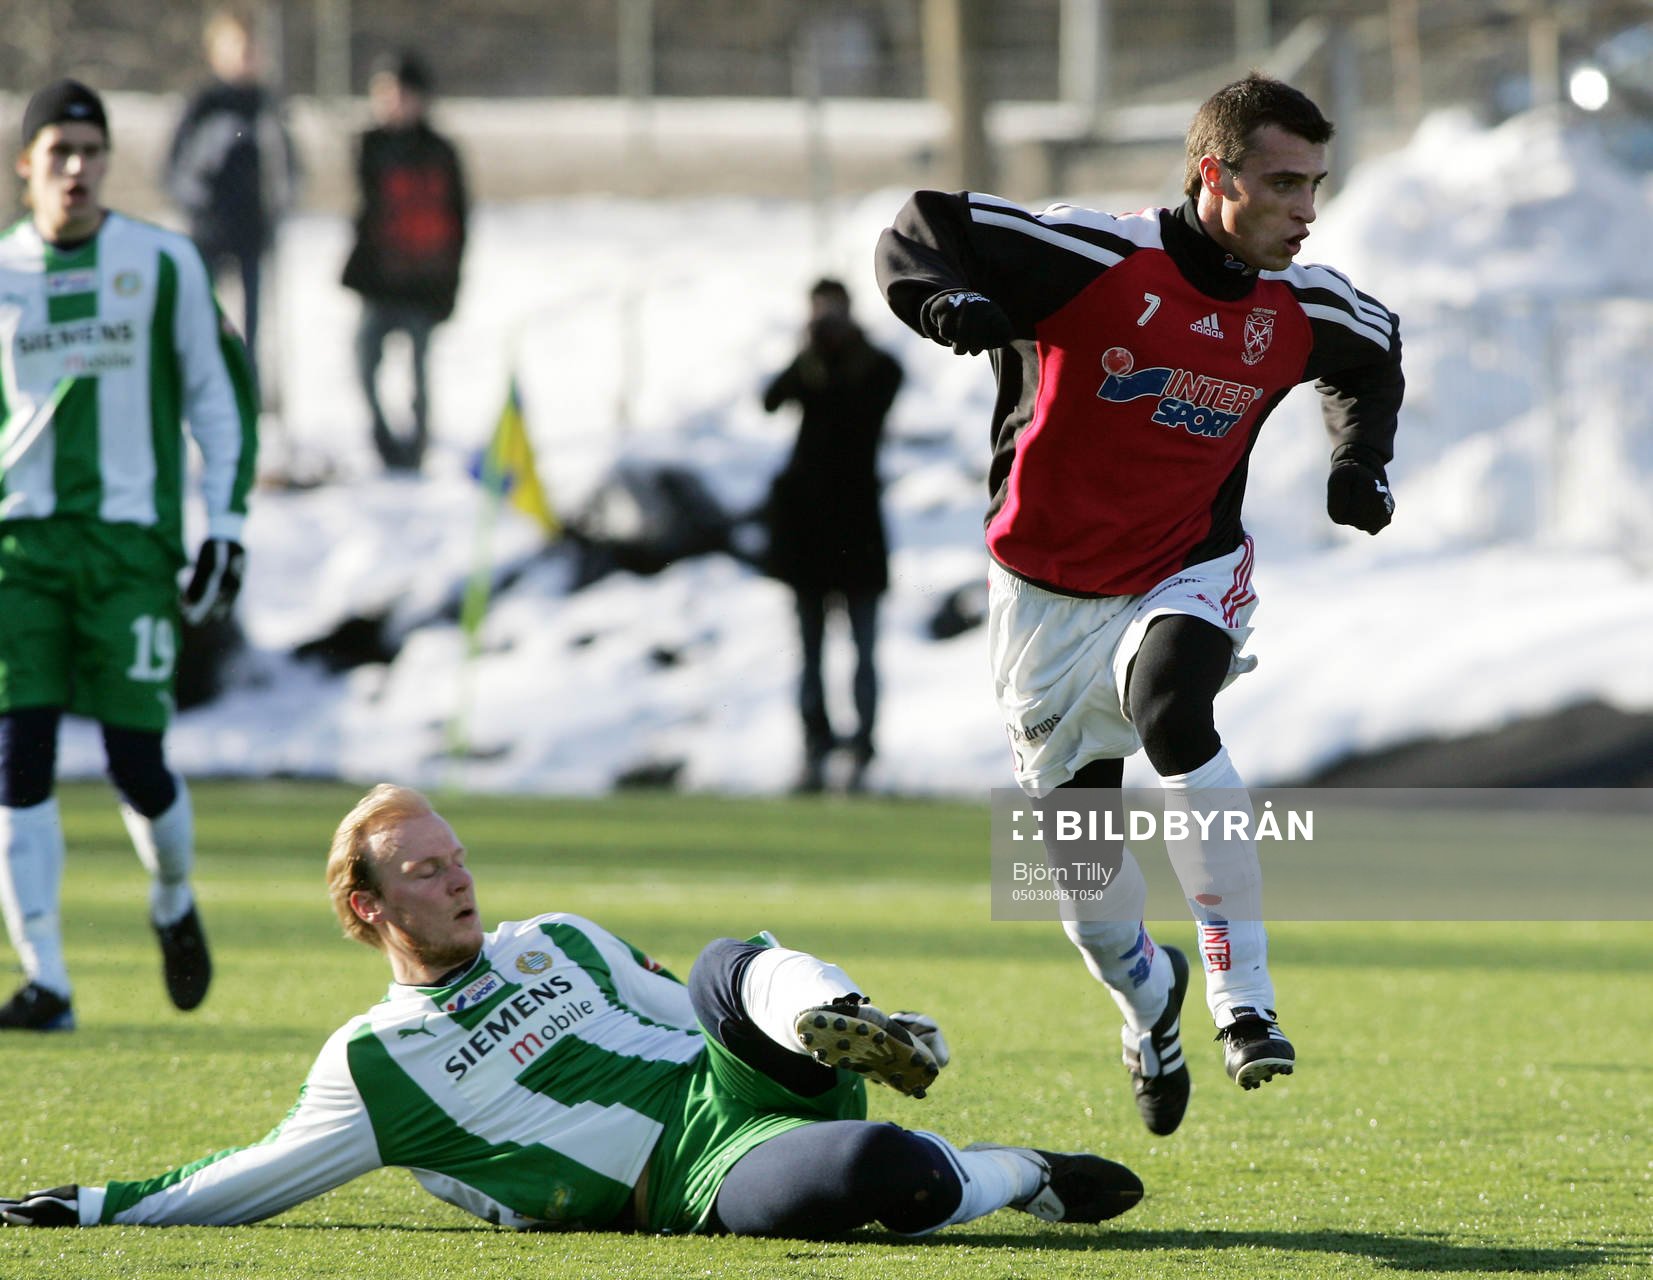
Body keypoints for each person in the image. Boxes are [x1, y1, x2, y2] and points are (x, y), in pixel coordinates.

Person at [875, 74, 1402, 1135]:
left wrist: (1361, 463)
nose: (1306, 210)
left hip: (1183, 570)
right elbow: (921, 227)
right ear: (1215, 177)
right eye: (1283, 183)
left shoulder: (1297, 305)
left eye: (1318, 186)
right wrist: (945, 303)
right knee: (1086, 889)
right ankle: (1146, 1001)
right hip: (1041, 601)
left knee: (1175, 705)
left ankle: (1242, 999)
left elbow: (1376, 348)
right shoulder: (1096, 258)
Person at [0, 783, 1143, 1237]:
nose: (458, 880)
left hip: (732, 1071)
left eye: (457, 857)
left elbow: (695, 1001)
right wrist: (92, 1204)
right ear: (366, 905)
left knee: (722, 963)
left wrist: (781, 1019)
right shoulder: (372, 1060)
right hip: (688, 1173)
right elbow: (244, 1177)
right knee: (884, 1171)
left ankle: (845, 1013)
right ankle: (1023, 1170)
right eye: (425, 871)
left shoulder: (552, 939)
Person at [0, 80, 260, 1031]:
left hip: (127, 551)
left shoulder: (161, 265)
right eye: (57, 151)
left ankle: (171, 900)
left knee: (134, 763)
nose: (75, 168)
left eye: (89, 150)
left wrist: (225, 526)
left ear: (107, 160)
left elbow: (219, 400)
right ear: (24, 163)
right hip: (17, 549)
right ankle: (49, 981)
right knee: (15, 757)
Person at [761, 279, 903, 792]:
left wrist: (838, 356)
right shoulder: (807, 367)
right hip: (807, 535)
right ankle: (814, 745)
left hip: (858, 530)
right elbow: (770, 400)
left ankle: (862, 748)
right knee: (810, 652)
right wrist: (808, 355)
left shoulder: (877, 367)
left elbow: (870, 402)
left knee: (863, 651)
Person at [343, 50, 469, 473]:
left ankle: (417, 447)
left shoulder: (440, 153)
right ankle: (383, 441)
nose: (394, 103)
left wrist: (451, 283)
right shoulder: (370, 146)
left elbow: (458, 221)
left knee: (418, 370)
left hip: (423, 282)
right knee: (363, 364)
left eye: (402, 94)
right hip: (380, 282)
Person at [163, 4, 297, 394]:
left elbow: (288, 168)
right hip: (211, 234)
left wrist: (282, 203)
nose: (247, 57)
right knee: (205, 321)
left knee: (255, 326)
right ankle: (202, 388)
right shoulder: (204, 105)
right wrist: (209, 159)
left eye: (253, 49)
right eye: (238, 48)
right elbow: (175, 173)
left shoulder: (267, 105)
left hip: (256, 233)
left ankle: (250, 395)